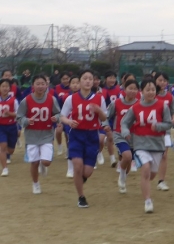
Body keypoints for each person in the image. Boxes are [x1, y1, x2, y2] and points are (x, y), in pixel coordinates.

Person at [121, 79, 172, 213]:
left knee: (152, 174)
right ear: (141, 91)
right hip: (140, 143)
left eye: (153, 90)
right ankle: (148, 201)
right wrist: (126, 132)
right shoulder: (136, 107)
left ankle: (146, 187)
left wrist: (159, 126)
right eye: (147, 90)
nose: (150, 92)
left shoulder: (163, 106)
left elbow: (169, 123)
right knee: (145, 169)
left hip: (157, 144)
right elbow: (124, 122)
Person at [60, 69, 109, 207]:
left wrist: (99, 111)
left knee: (87, 171)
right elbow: (62, 115)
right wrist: (69, 122)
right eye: (85, 78)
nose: (88, 81)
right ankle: (81, 197)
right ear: (79, 81)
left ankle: (81, 179)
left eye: (90, 79)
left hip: (92, 135)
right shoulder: (71, 98)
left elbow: (105, 118)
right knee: (77, 166)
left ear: (93, 82)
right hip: (76, 135)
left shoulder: (99, 98)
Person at [16, 75, 61, 193]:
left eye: (43, 84)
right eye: (38, 84)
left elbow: (58, 113)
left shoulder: (52, 99)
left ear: (47, 85)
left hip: (47, 134)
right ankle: (35, 183)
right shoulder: (26, 100)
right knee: (34, 162)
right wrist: (25, 121)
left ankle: (43, 163)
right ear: (33, 86)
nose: (40, 86)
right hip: (31, 135)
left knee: (46, 162)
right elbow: (19, 116)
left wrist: (56, 118)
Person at [108, 79, 139, 194]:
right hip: (119, 134)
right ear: (124, 89)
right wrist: (106, 126)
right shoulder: (116, 103)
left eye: (135, 89)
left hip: (135, 136)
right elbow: (107, 116)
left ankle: (123, 176)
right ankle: (121, 175)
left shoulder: (140, 103)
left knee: (129, 161)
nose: (132, 91)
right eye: (130, 88)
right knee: (127, 156)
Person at [153, 72, 174, 191]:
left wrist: (173, 117)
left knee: (164, 155)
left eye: (164, 80)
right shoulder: (150, 95)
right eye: (160, 80)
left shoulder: (169, 97)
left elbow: (173, 110)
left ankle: (161, 181)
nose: (162, 83)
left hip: (165, 130)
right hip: (150, 129)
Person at [0, 79, 19, 176]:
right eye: (3, 86)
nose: (4, 88)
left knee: (10, 150)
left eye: (7, 86)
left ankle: (6, 153)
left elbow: (18, 114)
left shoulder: (13, 100)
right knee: (2, 147)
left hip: (12, 126)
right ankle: (5, 168)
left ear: (10, 89)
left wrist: (10, 114)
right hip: (1, 127)